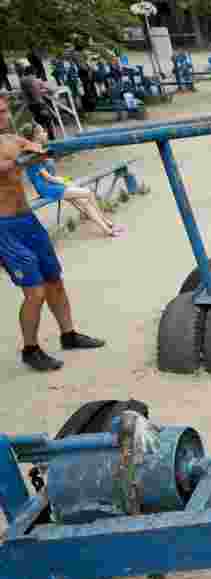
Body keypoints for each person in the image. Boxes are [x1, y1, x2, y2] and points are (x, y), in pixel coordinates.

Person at [0, 94, 105, 371]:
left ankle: (68, 334)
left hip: (27, 221)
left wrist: (44, 148)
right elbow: (6, 166)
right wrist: (26, 157)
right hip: (4, 227)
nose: (4, 115)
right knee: (35, 292)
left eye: (5, 110)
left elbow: (40, 149)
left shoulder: (13, 140)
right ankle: (30, 349)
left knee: (53, 280)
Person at [21, 124, 122, 237]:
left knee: (84, 202)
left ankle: (107, 229)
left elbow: (50, 175)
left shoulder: (39, 150)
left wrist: (65, 180)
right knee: (88, 193)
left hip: (53, 185)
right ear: (36, 136)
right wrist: (65, 182)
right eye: (42, 131)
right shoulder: (33, 154)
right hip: (48, 188)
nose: (45, 133)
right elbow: (47, 177)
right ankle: (106, 222)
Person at [17, 65, 57, 141]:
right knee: (48, 121)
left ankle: (36, 139)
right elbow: (50, 89)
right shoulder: (36, 80)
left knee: (38, 123)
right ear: (34, 72)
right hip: (39, 104)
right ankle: (52, 139)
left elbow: (28, 91)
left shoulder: (22, 81)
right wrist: (46, 90)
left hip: (30, 105)